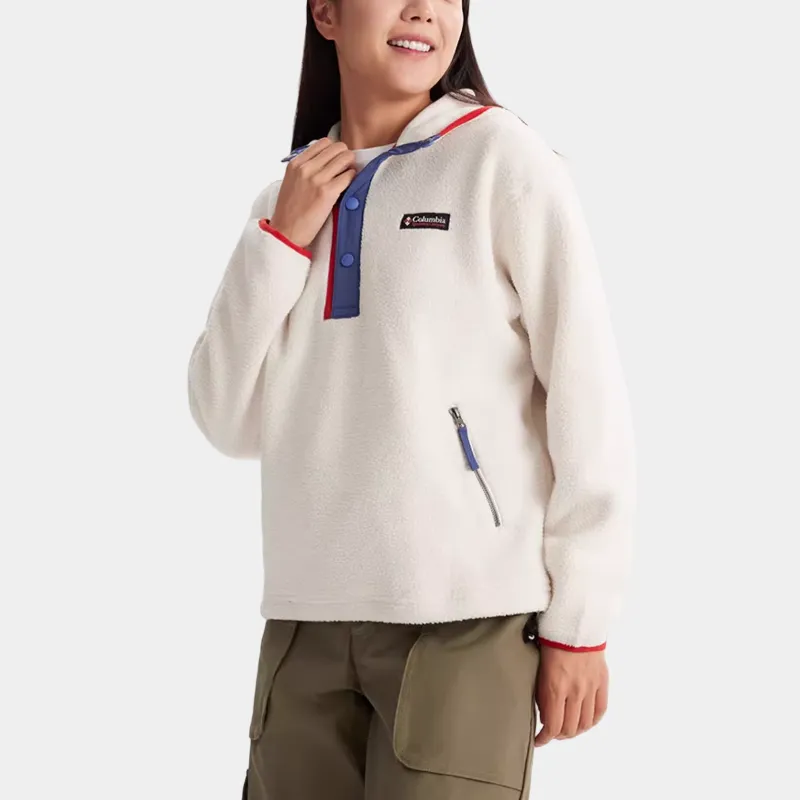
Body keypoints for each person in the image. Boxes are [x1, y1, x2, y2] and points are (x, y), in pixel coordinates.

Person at [186, 1, 637, 797]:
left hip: (467, 620)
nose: (424, 10)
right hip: (304, 618)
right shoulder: (284, 201)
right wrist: (280, 241)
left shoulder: (503, 160)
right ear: (326, 12)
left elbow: (587, 397)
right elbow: (228, 420)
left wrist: (580, 625)